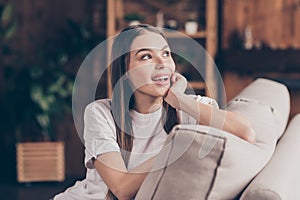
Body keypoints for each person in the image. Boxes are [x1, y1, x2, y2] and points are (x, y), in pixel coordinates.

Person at [53, 24, 255, 200]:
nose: (162, 63)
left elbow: (246, 132)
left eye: (166, 53)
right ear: (125, 71)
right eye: (146, 56)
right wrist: (181, 143)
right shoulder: (100, 112)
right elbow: (122, 189)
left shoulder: (189, 108)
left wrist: (180, 100)